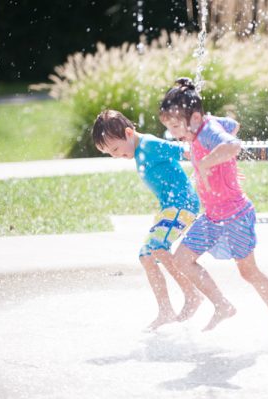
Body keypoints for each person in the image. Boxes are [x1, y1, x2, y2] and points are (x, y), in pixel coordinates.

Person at [159, 78, 268, 336]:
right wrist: (204, 121)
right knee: (182, 260)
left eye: (176, 126)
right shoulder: (203, 127)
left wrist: (207, 162)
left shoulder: (206, 132)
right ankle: (221, 305)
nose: (174, 133)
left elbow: (233, 144)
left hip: (236, 215)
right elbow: (233, 126)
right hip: (212, 217)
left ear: (194, 117)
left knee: (248, 272)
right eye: (169, 127)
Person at [92, 109, 210, 330]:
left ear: (128, 133)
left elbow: (185, 151)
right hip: (170, 208)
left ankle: (192, 295)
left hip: (182, 205)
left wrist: (211, 162)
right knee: (146, 256)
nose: (116, 155)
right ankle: (165, 310)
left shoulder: (150, 145)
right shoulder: (138, 151)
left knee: (157, 247)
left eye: (116, 148)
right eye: (110, 153)